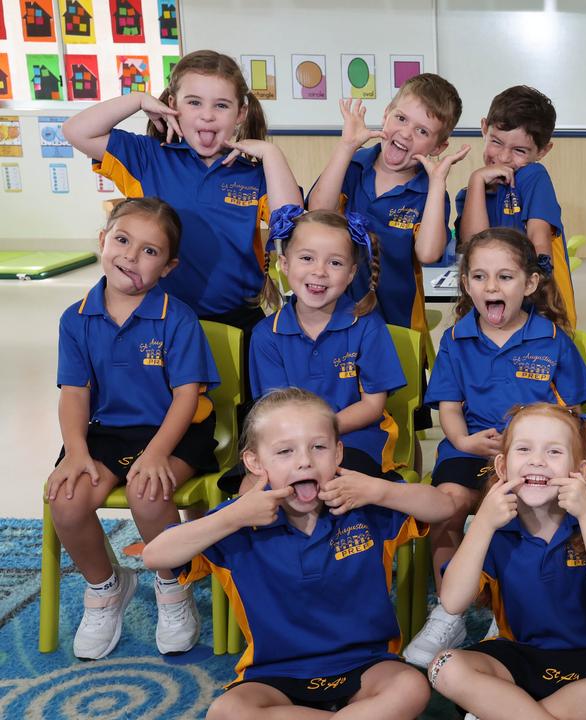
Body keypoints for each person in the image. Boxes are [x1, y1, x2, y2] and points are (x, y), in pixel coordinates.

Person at [143, 388, 452, 718]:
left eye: (318, 447)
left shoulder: (365, 507)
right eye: (285, 451)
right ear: (254, 462)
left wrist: (381, 488)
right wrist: (231, 516)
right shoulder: (236, 523)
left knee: (411, 687)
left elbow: (442, 507)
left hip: (367, 666)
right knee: (227, 711)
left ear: (338, 454)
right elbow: (155, 556)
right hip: (274, 675)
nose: (304, 460)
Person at [406, 227, 586, 662]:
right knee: (448, 504)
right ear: (466, 283)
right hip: (472, 452)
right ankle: (449, 613)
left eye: (505, 277)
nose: (491, 287)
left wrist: (540, 451)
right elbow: (450, 410)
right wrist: (463, 440)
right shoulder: (454, 342)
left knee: (532, 505)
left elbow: (575, 417)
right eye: (479, 277)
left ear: (530, 284)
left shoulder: (552, 340)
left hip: (536, 460)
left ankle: (512, 608)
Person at [47, 197, 217, 661]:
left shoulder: (176, 317)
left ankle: (171, 585)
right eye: (122, 240)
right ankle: (106, 588)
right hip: (106, 432)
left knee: (148, 490)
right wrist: (76, 451)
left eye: (149, 251)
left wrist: (158, 452)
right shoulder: (75, 318)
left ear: (168, 266)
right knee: (65, 499)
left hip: (175, 427)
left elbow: (187, 398)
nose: (130, 256)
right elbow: (74, 394)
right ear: (103, 241)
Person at [426, 403, 586, 720]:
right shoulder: (495, 528)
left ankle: (507, 712)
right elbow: (453, 601)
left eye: (553, 452)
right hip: (516, 657)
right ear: (502, 466)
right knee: (443, 666)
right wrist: (482, 523)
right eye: (524, 449)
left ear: (578, 472)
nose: (537, 460)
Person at [63, 49, 303, 331]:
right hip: (157, 319)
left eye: (221, 106)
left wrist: (270, 153)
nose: (207, 116)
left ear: (241, 113)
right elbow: (76, 131)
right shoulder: (147, 156)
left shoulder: (255, 174)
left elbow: (293, 222)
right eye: (194, 103)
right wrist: (138, 99)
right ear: (173, 104)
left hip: (238, 320)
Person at [218, 206, 405, 495]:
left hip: (354, 438)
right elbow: (274, 411)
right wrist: (301, 443)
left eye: (335, 263)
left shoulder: (368, 326)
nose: (319, 271)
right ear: (284, 263)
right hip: (286, 440)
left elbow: (372, 406)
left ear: (352, 272)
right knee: (249, 489)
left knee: (328, 485)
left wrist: (319, 435)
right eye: (307, 258)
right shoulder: (266, 335)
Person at [307, 74, 469, 335]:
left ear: (438, 146)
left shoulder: (430, 192)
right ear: (386, 114)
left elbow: (428, 254)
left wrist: (438, 183)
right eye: (401, 118)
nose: (405, 133)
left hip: (397, 327)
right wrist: (346, 146)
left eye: (422, 131)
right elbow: (317, 212)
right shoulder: (353, 165)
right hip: (335, 322)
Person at [455, 85, 579, 327]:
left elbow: (539, 242)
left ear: (543, 151)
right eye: (496, 142)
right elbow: (474, 245)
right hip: (492, 309)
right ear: (484, 128)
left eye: (519, 150)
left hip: (539, 310)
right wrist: (476, 180)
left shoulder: (533, 176)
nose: (503, 158)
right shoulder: (471, 194)